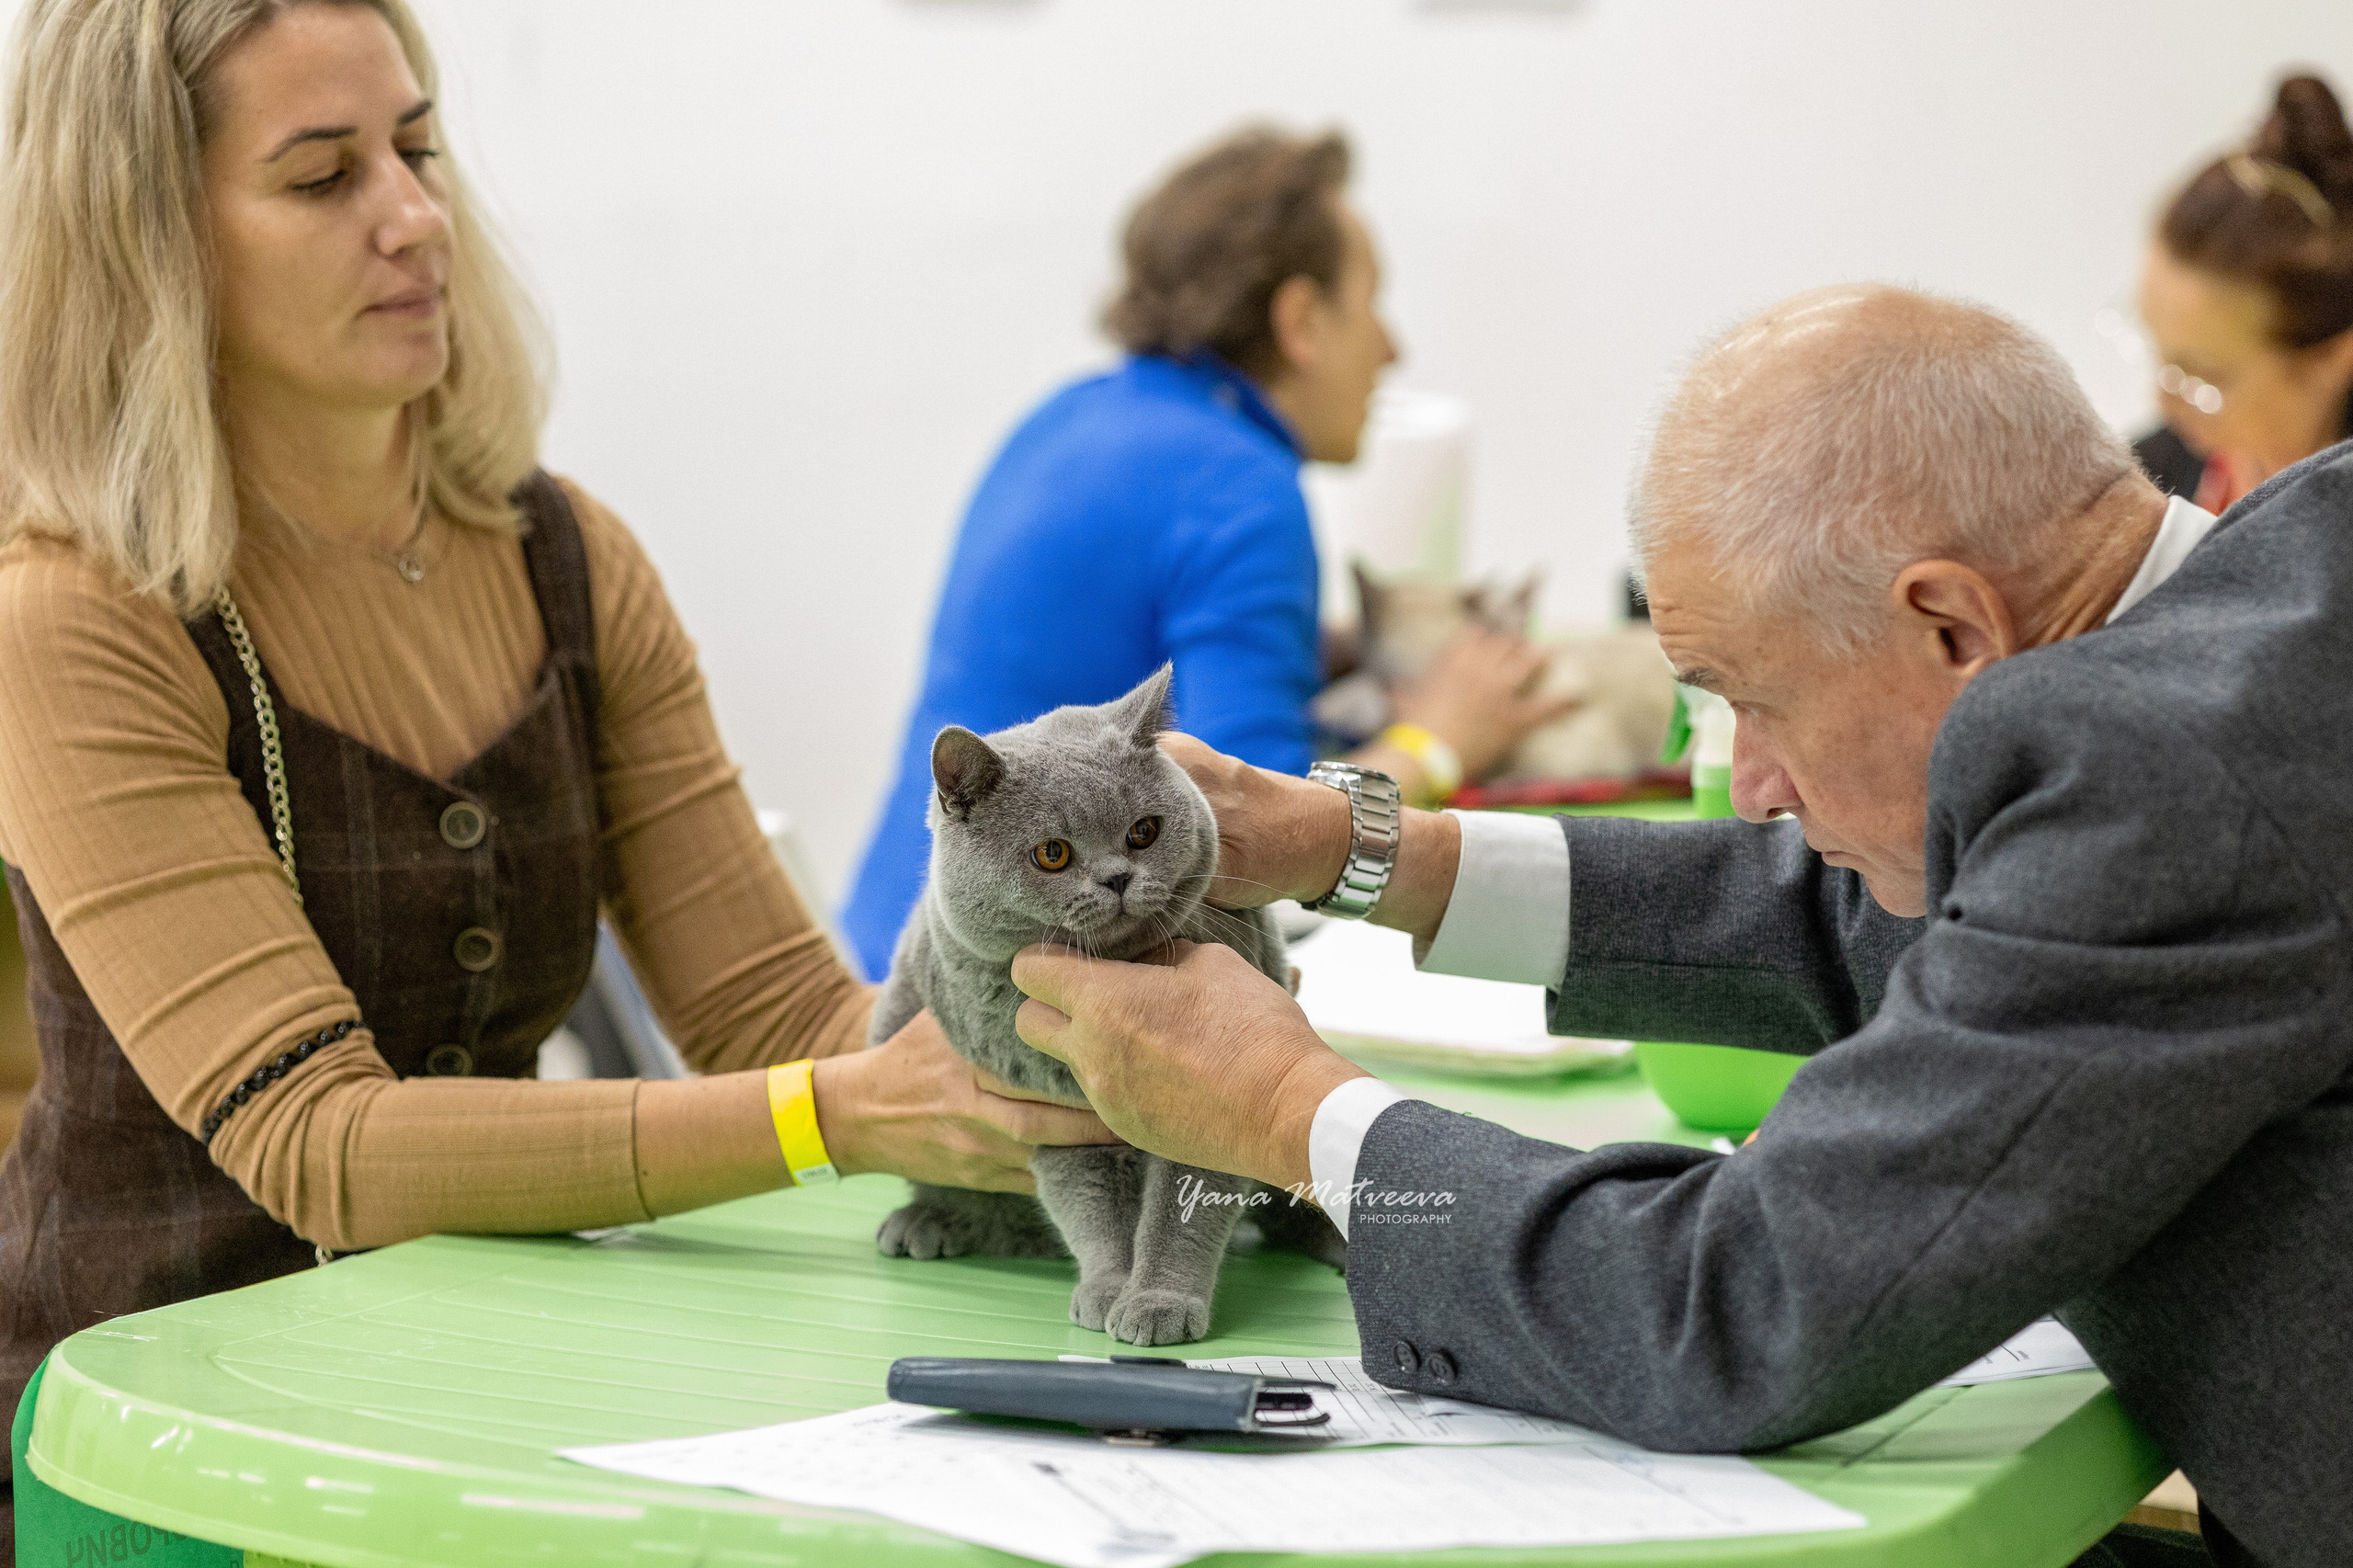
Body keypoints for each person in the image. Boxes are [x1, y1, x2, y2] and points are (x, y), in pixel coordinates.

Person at [1004, 286, 2351, 1568]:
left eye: (1751, 700)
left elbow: (1731, 1307)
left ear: (1949, 623)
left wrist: (1286, 1110)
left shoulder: (2167, 775)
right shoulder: (2286, 573)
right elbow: (1898, 916)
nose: (1750, 783)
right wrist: (1369, 850)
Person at [0, 0, 1111, 1548]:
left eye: (419, 148)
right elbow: (320, 1145)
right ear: (148, 245)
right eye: (322, 177)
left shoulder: (567, 556)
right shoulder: (72, 619)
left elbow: (778, 1012)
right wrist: (834, 1115)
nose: (414, 216)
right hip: (162, 1444)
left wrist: (1079, 1037)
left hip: (478, 1391)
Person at [837, 126, 1566, 982]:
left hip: (887, 959)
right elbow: (1255, 847)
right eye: (1371, 303)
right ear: (1301, 321)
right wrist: (1440, 736)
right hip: (1002, 1008)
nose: (1391, 348)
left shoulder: (1070, 415)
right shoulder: (1241, 486)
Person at [2131, 74, 2353, 510]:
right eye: (2154, 347)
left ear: (2332, 360)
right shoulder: (2150, 482)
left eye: (2205, 377)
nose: (2161, 400)